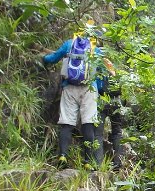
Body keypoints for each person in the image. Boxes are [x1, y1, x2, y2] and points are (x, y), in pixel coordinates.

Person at [42, 22, 108, 168]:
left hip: (69, 87)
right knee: (88, 123)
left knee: (66, 122)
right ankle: (87, 161)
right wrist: (101, 89)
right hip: (89, 89)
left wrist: (44, 60)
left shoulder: (69, 44)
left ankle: (63, 156)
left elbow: (52, 58)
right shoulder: (96, 50)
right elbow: (102, 74)